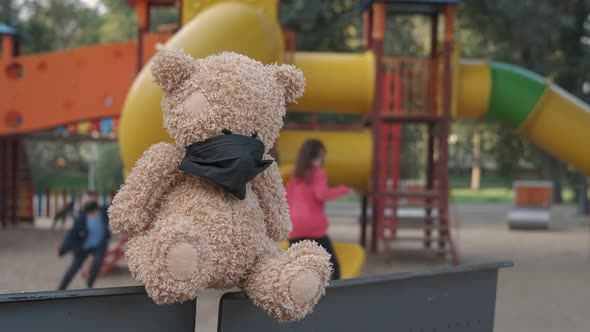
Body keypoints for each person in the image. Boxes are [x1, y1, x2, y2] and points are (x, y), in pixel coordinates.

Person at [286, 139, 353, 280]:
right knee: (333, 267)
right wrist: (343, 189)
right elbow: (321, 194)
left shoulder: (296, 174)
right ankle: (336, 293)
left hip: (295, 225)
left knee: (297, 265)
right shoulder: (318, 172)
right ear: (318, 155)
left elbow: (287, 198)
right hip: (313, 226)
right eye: (321, 156)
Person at [57, 194, 110, 290]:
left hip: (99, 245)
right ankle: (61, 289)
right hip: (84, 247)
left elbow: (116, 209)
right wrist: (63, 249)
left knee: (97, 261)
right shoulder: (81, 219)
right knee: (74, 267)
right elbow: (72, 235)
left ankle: (89, 285)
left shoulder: (103, 212)